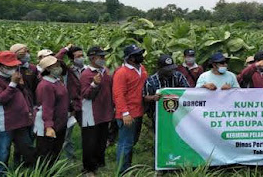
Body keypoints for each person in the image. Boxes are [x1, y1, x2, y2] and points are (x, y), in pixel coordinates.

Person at [0, 51, 35, 175]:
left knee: (27, 147)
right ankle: (1, 173)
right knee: (3, 151)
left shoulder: (15, 76)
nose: (13, 69)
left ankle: (29, 170)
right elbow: (0, 99)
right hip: (5, 122)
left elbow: (24, 95)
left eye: (14, 66)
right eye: (10, 66)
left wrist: (20, 85)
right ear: (0, 66)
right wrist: (13, 84)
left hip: (21, 120)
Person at [112, 44, 148, 174]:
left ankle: (128, 166)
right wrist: (125, 113)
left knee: (131, 142)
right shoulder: (121, 73)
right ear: (131, 58)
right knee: (125, 143)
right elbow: (118, 94)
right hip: (128, 114)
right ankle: (122, 171)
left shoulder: (141, 69)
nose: (141, 56)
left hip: (138, 111)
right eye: (138, 54)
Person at [80, 47, 113, 176]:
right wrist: (94, 84)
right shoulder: (86, 74)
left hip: (104, 111)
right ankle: (88, 168)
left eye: (104, 57)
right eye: (101, 57)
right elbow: (86, 94)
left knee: (101, 139)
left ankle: (99, 163)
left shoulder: (105, 72)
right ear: (93, 58)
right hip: (92, 113)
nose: (104, 59)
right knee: (90, 141)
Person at [33, 56, 69, 165]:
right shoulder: (46, 85)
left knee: (55, 152)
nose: (58, 68)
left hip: (58, 122)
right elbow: (47, 107)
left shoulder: (57, 81)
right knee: (46, 153)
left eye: (58, 65)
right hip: (49, 123)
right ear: (48, 69)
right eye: (55, 66)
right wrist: (48, 126)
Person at [144, 54, 190, 130]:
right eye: (167, 70)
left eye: (172, 69)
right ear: (160, 69)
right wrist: (153, 97)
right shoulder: (151, 81)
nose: (170, 71)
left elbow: (188, 91)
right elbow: (145, 97)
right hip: (159, 115)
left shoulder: (178, 76)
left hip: (178, 114)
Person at [55, 45, 84, 160]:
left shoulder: (87, 69)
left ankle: (88, 156)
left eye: (82, 55)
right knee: (67, 135)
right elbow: (57, 60)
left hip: (85, 105)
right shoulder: (68, 71)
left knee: (88, 132)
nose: (81, 58)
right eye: (78, 56)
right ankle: (70, 158)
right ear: (72, 59)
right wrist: (65, 49)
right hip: (71, 106)